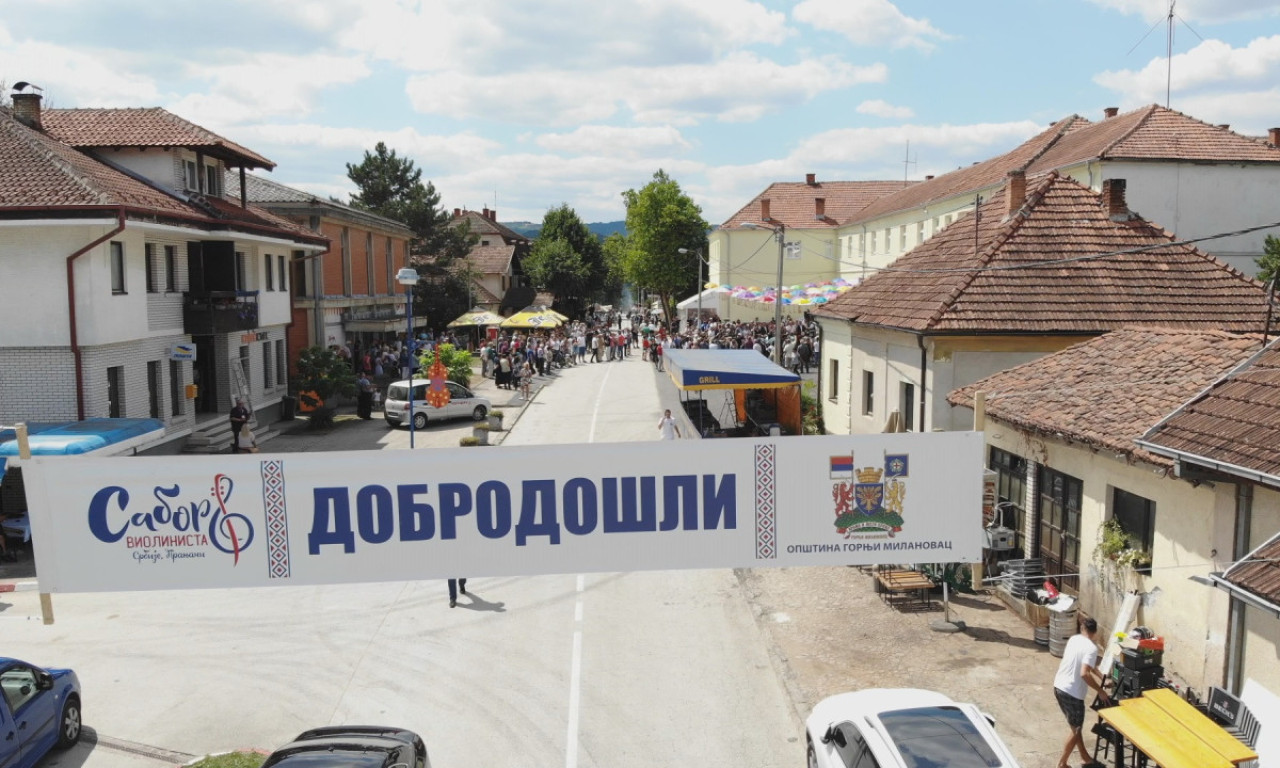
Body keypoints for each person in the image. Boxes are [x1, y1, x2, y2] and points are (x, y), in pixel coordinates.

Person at [1053, 616, 1110, 768]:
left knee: (1075, 727)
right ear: (1095, 632)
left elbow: (1088, 665)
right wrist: (1101, 691)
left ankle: (1085, 758)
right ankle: (1062, 763)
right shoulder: (1092, 648)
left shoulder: (1074, 639)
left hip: (1059, 687)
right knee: (1076, 729)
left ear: (1082, 629)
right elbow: (1084, 673)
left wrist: (1102, 677)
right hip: (1072, 693)